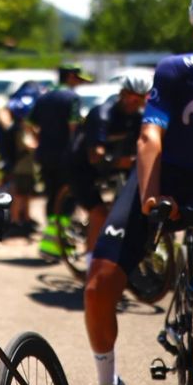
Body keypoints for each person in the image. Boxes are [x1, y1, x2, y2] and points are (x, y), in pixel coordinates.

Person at [85, 0, 193, 385]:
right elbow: (151, 134)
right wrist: (151, 200)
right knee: (99, 286)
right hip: (163, 178)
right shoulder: (177, 72)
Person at [67, 73, 151, 259]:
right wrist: (122, 161)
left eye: (139, 98)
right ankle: (90, 264)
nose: (133, 101)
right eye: (130, 96)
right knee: (99, 213)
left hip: (113, 166)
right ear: (122, 93)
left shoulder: (139, 117)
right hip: (83, 166)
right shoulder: (102, 114)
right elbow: (95, 156)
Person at [25, 63, 92, 260]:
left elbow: (29, 123)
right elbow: (73, 127)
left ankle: (50, 244)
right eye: (78, 79)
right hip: (66, 156)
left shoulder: (44, 96)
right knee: (67, 199)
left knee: (51, 196)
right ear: (71, 77)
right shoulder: (72, 98)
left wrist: (38, 140)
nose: (79, 84)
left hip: (45, 155)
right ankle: (63, 245)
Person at [0, 80, 46, 235]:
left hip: (22, 161)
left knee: (26, 191)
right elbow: (25, 143)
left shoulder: (16, 114)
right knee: (19, 191)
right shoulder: (20, 126)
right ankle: (16, 220)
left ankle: (24, 218)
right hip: (20, 161)